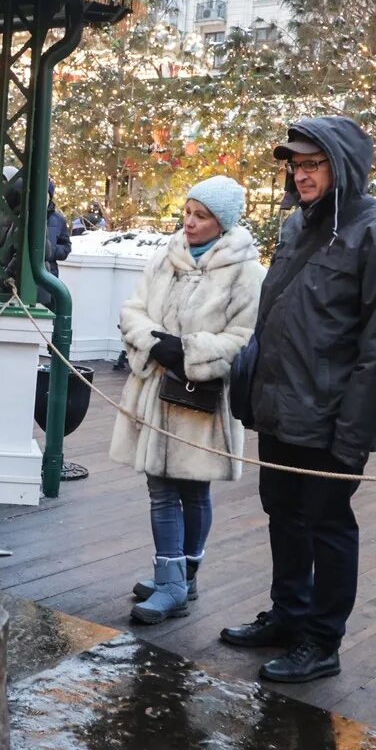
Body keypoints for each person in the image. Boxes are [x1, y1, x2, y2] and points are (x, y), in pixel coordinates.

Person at [220, 116, 376, 685]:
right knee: (283, 514)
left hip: (333, 418)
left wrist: (353, 432)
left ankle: (321, 641)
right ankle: (288, 615)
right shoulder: (295, 227)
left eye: (313, 164)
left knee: (328, 525)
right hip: (281, 408)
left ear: (342, 166)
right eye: (295, 165)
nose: (301, 175)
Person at [111, 176, 265, 624]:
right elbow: (133, 309)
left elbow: (245, 337)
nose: (190, 223)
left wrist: (192, 351)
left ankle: (183, 578)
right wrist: (154, 343)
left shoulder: (247, 273)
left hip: (202, 398)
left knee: (194, 489)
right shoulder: (164, 258)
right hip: (156, 389)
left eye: (202, 216)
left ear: (223, 222)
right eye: (188, 212)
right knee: (159, 488)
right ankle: (172, 579)